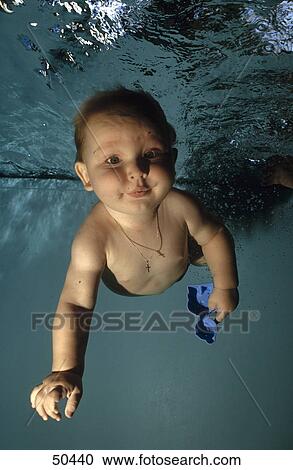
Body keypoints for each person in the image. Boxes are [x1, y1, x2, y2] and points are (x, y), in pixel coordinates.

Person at [30, 86, 239, 421]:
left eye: (152, 154)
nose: (137, 170)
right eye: (113, 160)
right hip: (130, 281)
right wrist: (66, 369)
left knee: (209, 242)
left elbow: (215, 235)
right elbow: (76, 304)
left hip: (185, 256)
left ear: (172, 156)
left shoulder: (182, 206)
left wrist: (225, 285)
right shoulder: (93, 239)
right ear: (85, 175)